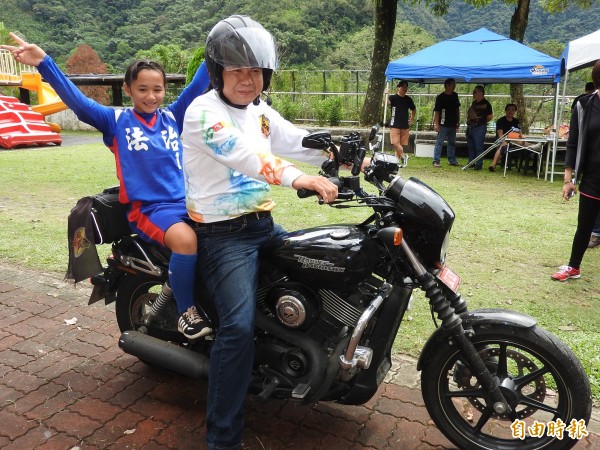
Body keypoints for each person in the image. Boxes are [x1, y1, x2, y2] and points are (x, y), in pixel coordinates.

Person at [181, 15, 339, 449]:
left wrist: (341, 150)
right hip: (222, 235)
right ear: (218, 72)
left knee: (322, 269)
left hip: (262, 225)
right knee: (236, 327)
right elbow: (244, 155)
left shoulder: (259, 112)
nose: (247, 79)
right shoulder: (203, 112)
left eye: (255, 70)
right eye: (237, 70)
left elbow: (293, 140)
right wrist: (296, 179)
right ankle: (222, 437)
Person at [1, 33, 212, 339]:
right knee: (186, 242)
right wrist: (45, 63)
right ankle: (185, 312)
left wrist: (215, 51)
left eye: (157, 89)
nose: (150, 96)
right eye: (142, 89)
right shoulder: (117, 121)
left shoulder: (171, 117)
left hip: (187, 204)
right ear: (128, 89)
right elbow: (79, 103)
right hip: (148, 209)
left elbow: (195, 88)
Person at [551, 60, 600, 281]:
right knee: (585, 225)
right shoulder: (583, 105)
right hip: (592, 176)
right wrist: (568, 179)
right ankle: (573, 267)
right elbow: (573, 142)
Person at [387, 80, 416, 167]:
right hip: (394, 124)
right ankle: (404, 156)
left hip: (405, 125)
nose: (405, 88)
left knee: (400, 145)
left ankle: (396, 162)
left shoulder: (408, 99)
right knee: (396, 143)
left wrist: (411, 119)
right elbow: (386, 103)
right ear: (398, 88)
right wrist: (385, 95)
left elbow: (413, 109)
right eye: (403, 87)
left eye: (406, 87)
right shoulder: (393, 98)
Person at [432, 78, 460, 167]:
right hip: (443, 123)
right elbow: (437, 111)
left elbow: (457, 109)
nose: (454, 86)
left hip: (452, 124)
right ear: (447, 85)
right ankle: (436, 160)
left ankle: (452, 160)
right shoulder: (440, 97)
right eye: (453, 84)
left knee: (452, 142)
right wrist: (437, 124)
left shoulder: (455, 95)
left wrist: (458, 121)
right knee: (439, 142)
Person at [466, 85, 493, 171]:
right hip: (471, 126)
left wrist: (481, 122)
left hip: (479, 128)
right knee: (471, 146)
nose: (473, 94)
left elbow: (490, 116)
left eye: (474, 92)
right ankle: (471, 162)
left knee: (478, 146)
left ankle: (479, 164)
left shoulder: (486, 104)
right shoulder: (474, 103)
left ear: (480, 93)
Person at [489, 103, 520, 172]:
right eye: (508, 109)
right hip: (502, 139)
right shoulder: (500, 120)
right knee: (503, 147)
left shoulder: (516, 121)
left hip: (512, 140)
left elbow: (518, 132)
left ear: (515, 111)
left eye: (513, 110)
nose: (510, 111)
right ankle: (493, 165)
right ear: (505, 110)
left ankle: (534, 147)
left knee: (523, 143)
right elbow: (500, 133)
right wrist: (504, 141)